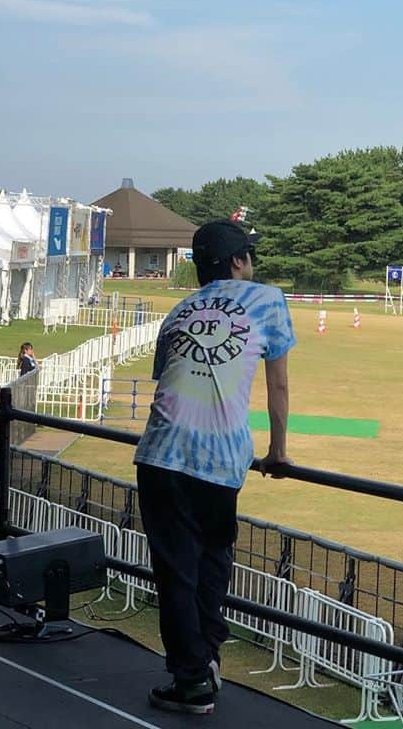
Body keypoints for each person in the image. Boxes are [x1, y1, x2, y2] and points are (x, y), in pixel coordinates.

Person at [134, 219, 295, 716]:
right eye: (248, 255)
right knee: (212, 564)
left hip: (162, 456)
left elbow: (169, 380)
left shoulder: (179, 310)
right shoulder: (266, 299)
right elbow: (279, 385)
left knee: (177, 573)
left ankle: (194, 675)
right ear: (237, 262)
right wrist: (279, 452)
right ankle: (202, 669)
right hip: (222, 460)